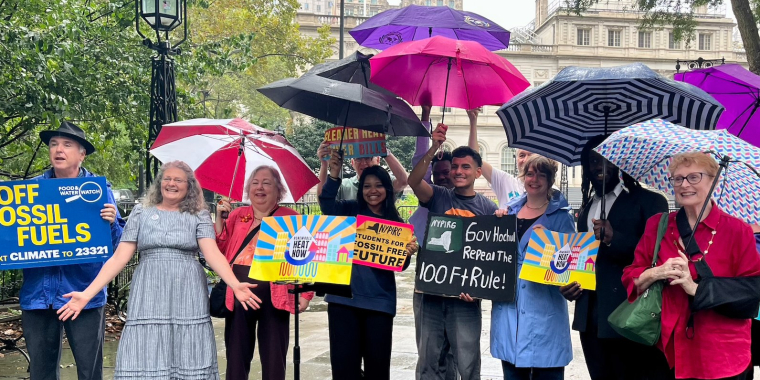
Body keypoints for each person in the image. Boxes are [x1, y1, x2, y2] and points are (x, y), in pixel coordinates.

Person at [58, 161, 261, 379]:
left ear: (189, 186)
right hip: (149, 289)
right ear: (160, 182)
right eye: (167, 178)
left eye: (178, 180)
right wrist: (87, 294)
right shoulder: (141, 212)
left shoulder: (199, 214)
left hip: (187, 290)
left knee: (187, 344)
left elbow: (212, 253)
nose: (171, 183)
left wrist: (235, 284)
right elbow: (119, 258)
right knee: (147, 345)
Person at [622, 152, 760, 380]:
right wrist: (657, 272)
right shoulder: (658, 225)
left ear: (713, 181)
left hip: (722, 355)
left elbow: (753, 289)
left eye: (694, 177)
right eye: (678, 178)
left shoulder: (738, 231)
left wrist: (695, 288)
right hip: (667, 350)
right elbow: (630, 278)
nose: (684, 185)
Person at [560, 135, 671, 379]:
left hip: (630, 314)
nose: (599, 167)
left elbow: (659, 255)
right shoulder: (587, 207)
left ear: (620, 161)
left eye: (607, 159)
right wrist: (568, 284)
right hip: (590, 318)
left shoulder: (649, 202)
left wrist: (614, 238)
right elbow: (583, 258)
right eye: (593, 161)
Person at [20, 121, 125, 380]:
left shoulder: (99, 191)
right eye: (54, 144)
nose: (59, 149)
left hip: (85, 292)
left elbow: (119, 246)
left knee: (90, 371)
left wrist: (111, 224)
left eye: (67, 145)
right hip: (38, 295)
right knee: (41, 373)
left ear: (82, 154)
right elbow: (13, 240)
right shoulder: (28, 192)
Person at [409, 123, 498, 380]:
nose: (458, 171)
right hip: (432, 294)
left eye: (465, 167)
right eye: (455, 166)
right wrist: (434, 147)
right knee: (428, 362)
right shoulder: (438, 195)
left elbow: (492, 258)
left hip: (465, 300)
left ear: (478, 172)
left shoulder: (488, 209)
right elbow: (414, 181)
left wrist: (480, 290)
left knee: (468, 364)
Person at [319, 150, 419, 380]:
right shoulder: (348, 210)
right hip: (343, 300)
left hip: (379, 303)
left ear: (387, 188)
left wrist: (408, 253)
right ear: (360, 189)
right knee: (344, 369)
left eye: (378, 185)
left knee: (377, 368)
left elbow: (399, 265)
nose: (372, 191)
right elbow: (326, 205)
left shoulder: (397, 224)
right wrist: (334, 173)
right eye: (367, 186)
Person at [214, 166, 314, 380]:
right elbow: (221, 249)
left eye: (267, 183)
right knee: (236, 354)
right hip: (239, 293)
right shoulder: (237, 215)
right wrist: (220, 219)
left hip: (276, 292)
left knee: (274, 356)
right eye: (255, 182)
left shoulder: (291, 218)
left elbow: (306, 258)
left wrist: (306, 296)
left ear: (278, 190)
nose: (260, 187)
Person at [491, 154, 575, 379]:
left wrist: (550, 240)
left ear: (550, 180)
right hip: (510, 310)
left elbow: (569, 264)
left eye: (541, 174)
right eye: (530, 173)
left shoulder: (562, 218)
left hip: (544, 312)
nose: (534, 179)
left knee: (547, 372)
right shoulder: (508, 212)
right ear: (523, 177)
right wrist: (497, 224)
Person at [408, 105, 458, 380]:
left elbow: (471, 157)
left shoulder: (465, 200)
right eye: (436, 174)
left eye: (446, 173)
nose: (442, 177)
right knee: (428, 346)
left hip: (459, 280)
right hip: (427, 279)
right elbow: (417, 166)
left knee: (454, 350)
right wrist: (426, 119)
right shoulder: (429, 196)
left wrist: (473, 121)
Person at [467, 107, 533, 205]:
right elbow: (474, 157)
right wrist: (473, 121)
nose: (526, 160)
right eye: (522, 155)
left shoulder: (549, 189)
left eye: (530, 155)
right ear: (516, 159)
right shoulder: (505, 182)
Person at [316, 136, 408, 201]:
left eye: (368, 157)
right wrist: (324, 165)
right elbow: (323, 198)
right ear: (352, 163)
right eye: (358, 159)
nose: (364, 163)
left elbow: (403, 181)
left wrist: (385, 151)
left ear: (378, 160)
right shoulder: (344, 186)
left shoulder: (386, 181)